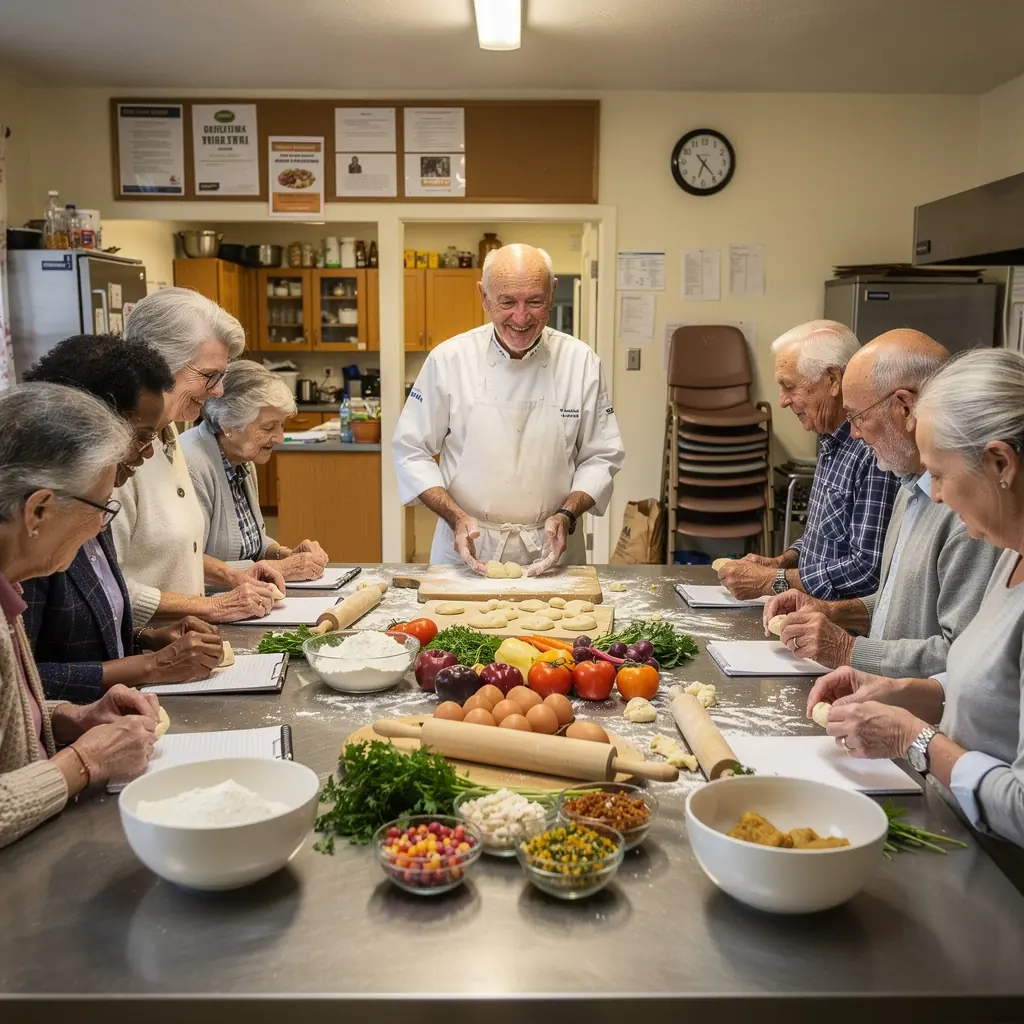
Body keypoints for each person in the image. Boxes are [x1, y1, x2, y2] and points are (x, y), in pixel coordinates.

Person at [809, 349, 1024, 850]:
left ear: (1000, 463)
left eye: (942, 475)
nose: (938, 496)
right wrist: (902, 690)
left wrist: (914, 738)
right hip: (958, 827)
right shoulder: (1011, 557)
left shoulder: (987, 539)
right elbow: (989, 685)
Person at [763, 331, 1001, 677]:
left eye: (858, 417)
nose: (854, 434)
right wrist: (830, 611)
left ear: (905, 407)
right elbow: (896, 605)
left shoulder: (967, 511)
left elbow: (962, 658)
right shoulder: (908, 484)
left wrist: (848, 650)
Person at [392, 243, 624, 575]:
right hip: (467, 547)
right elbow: (411, 450)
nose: (521, 317)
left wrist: (567, 514)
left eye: (535, 301)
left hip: (554, 549)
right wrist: (456, 517)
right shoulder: (449, 360)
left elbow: (602, 455)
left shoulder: (581, 362)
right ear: (484, 297)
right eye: (507, 302)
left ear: (552, 293)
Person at [20, 335, 224, 703]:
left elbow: (96, 626)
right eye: (142, 437)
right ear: (91, 425)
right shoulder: (39, 530)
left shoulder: (96, 500)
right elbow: (19, 679)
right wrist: (150, 667)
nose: (147, 453)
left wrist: (146, 637)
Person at [0, 383, 158, 850]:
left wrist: (75, 716)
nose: (100, 527)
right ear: (38, 510)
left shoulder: (10, 587)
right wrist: (85, 762)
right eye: (99, 508)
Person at [114, 288, 286, 625]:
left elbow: (177, 553)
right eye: (209, 376)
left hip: (185, 641)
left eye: (222, 376)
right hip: (147, 646)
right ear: (158, 365)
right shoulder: (121, 455)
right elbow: (107, 587)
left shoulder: (168, 434)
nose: (219, 391)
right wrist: (211, 607)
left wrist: (232, 575)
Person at [718, 319, 899, 601]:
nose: (782, 400)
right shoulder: (831, 439)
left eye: (789, 386)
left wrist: (773, 581)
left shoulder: (870, 451)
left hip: (838, 620)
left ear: (833, 380)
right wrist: (782, 562)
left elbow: (866, 570)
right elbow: (824, 538)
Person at [180, 361, 329, 579]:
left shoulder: (242, 458)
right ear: (228, 425)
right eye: (268, 427)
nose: (280, 438)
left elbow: (249, 543)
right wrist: (280, 568)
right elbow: (185, 562)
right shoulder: (191, 464)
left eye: (282, 425)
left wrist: (285, 555)